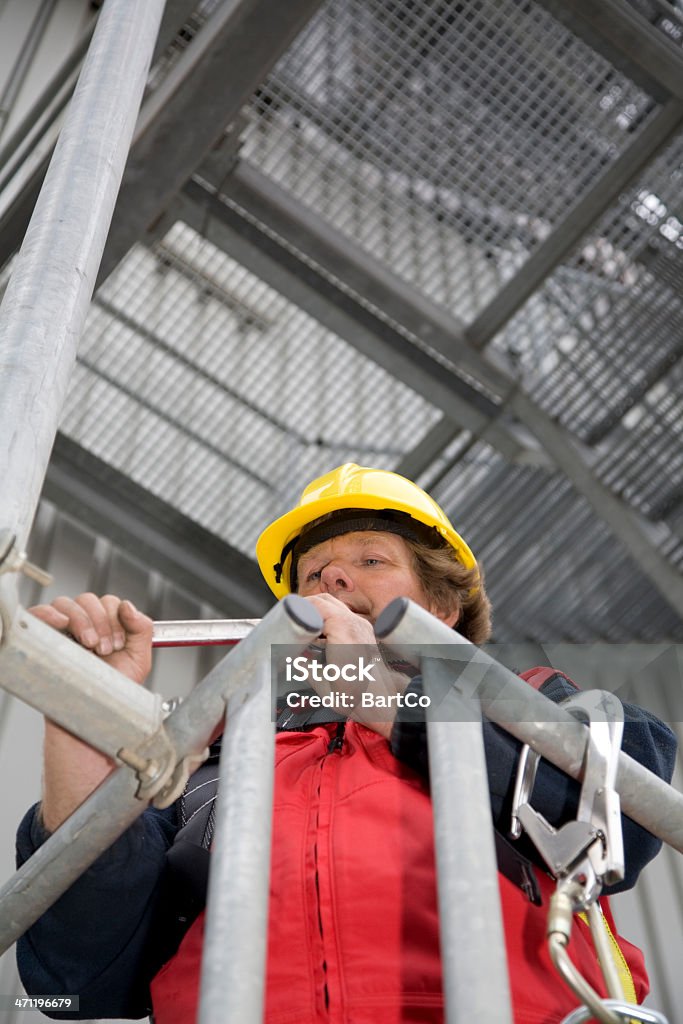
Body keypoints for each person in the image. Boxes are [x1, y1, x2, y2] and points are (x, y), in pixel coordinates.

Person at [16, 463, 677, 1023]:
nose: (331, 580)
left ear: (440, 609)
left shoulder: (532, 708)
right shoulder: (212, 768)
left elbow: (627, 811)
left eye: (369, 560)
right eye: (312, 575)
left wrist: (385, 700)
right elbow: (78, 979)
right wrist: (80, 715)